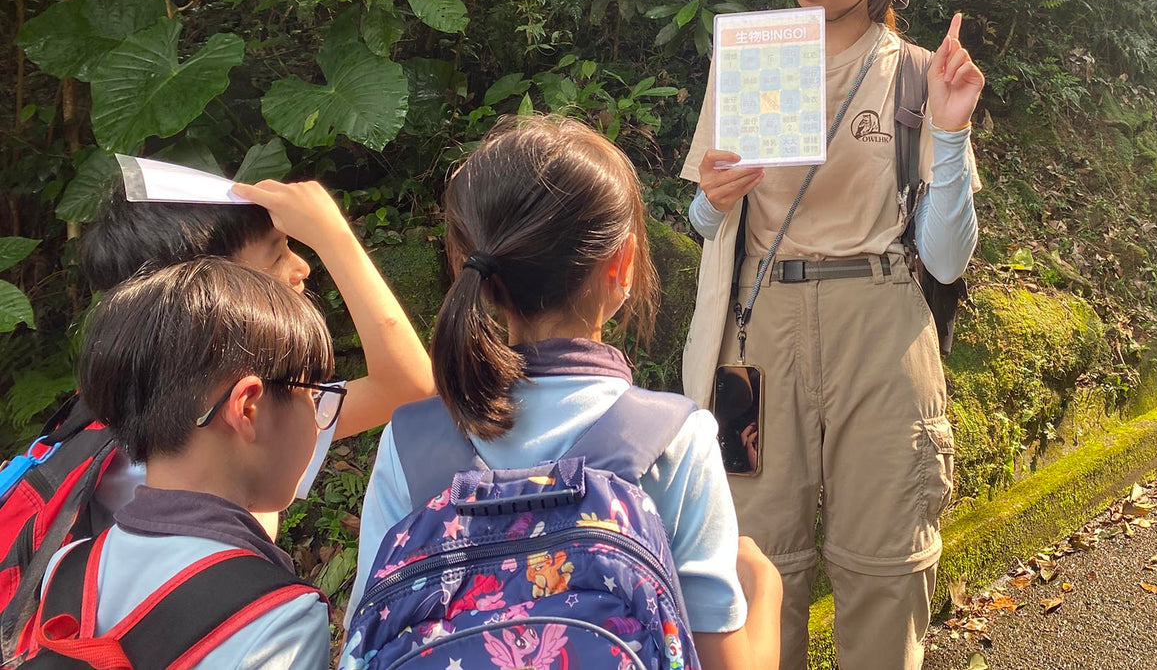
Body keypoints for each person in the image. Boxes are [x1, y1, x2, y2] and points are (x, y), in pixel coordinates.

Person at [679, 0, 984, 669]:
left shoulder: (917, 76)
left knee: (887, 565)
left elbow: (947, 260)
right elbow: (704, 223)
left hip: (880, 326)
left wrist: (949, 135)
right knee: (752, 561)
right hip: (756, 331)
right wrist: (713, 196)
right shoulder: (752, 57)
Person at [347, 115, 782, 669]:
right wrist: (766, 589)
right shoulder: (675, 440)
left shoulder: (410, 442)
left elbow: (367, 639)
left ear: (474, 266)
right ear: (621, 262)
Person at [21, 258, 338, 667]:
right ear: (249, 407)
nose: (317, 419)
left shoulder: (70, 569)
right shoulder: (281, 620)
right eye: (313, 395)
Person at [81, 177, 434, 516]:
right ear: (205, 291)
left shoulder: (142, 403)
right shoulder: (232, 423)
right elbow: (407, 385)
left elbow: (404, 387)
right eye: (277, 254)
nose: (302, 268)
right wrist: (333, 236)